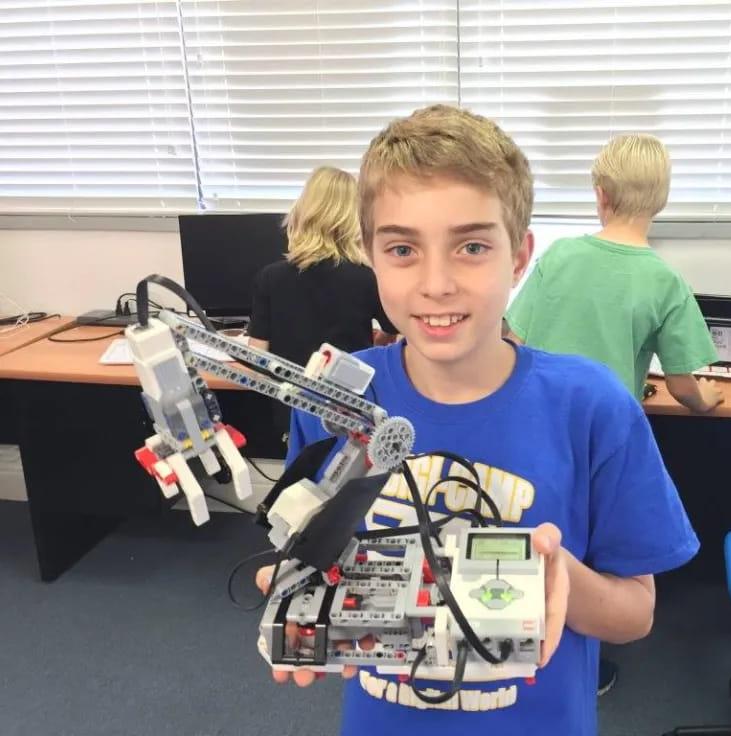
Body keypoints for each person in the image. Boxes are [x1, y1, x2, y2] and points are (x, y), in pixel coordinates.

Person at [255, 106, 699, 736]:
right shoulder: (337, 397)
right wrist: (297, 585)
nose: (437, 284)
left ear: (519, 258)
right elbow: (310, 553)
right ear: (370, 257)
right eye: (403, 248)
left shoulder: (592, 406)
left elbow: (636, 614)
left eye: (471, 246)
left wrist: (557, 575)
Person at [506, 133, 723, 414]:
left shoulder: (559, 254)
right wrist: (704, 399)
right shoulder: (667, 282)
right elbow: (680, 386)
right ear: (662, 200)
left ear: (601, 195)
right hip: (608, 428)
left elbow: (513, 343)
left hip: (541, 419)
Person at [248, 166, 396, 437]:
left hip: (291, 410)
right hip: (350, 409)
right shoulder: (366, 279)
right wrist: (376, 344)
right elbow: (393, 328)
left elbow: (257, 357)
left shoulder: (270, 277)